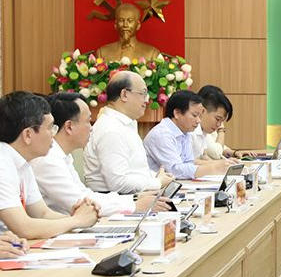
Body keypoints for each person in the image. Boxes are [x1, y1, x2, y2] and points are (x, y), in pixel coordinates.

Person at [33, 92, 170, 216]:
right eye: (88, 121)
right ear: (69, 127)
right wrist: (134, 205)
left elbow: (85, 194)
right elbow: (81, 204)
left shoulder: (62, 156)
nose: (91, 128)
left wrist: (134, 199)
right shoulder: (47, 160)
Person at [0, 91, 98, 238]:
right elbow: (24, 227)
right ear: (28, 135)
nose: (54, 134)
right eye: (50, 128)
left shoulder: (23, 162)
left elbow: (42, 213)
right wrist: (76, 220)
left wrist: (80, 219)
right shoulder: (3, 163)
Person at [84, 71, 173, 194]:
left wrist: (156, 176)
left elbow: (134, 171)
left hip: (132, 196)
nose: (146, 100)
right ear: (124, 94)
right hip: (116, 200)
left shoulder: (125, 124)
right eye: (143, 94)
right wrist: (157, 182)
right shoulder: (111, 129)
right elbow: (118, 183)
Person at [144, 90, 236, 179]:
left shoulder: (185, 132)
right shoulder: (162, 134)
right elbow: (175, 170)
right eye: (195, 115)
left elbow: (189, 163)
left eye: (199, 116)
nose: (198, 120)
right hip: (155, 187)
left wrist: (217, 165)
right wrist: (213, 168)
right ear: (177, 113)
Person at [194, 85, 248, 160]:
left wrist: (233, 154)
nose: (219, 124)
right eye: (217, 119)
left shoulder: (204, 130)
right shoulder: (192, 130)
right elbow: (216, 153)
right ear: (202, 111)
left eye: (221, 121)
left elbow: (207, 156)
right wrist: (221, 130)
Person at [95, 3, 161, 63]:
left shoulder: (152, 53)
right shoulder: (102, 53)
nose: (125, 25)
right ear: (115, 25)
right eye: (121, 20)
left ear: (138, 25)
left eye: (130, 21)